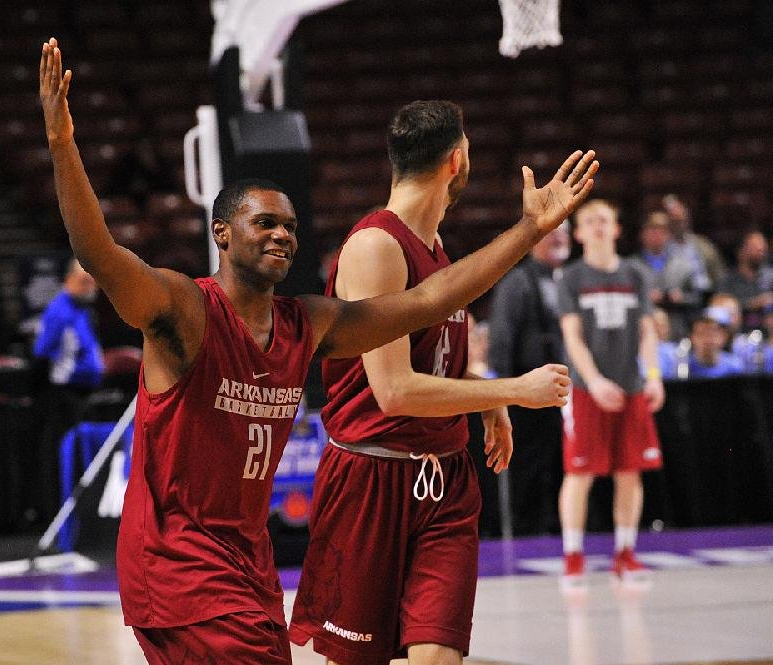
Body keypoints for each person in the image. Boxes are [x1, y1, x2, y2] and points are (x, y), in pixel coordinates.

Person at [40, 40, 597, 663]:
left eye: (290, 226)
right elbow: (100, 254)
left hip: (248, 562)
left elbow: (427, 302)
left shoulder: (304, 323)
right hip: (179, 563)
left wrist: (530, 229)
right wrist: (62, 145)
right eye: (264, 223)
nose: (282, 234)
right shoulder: (183, 310)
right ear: (221, 234)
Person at [289, 100, 588, 665]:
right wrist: (512, 391)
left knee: (439, 655)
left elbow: (434, 364)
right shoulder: (376, 246)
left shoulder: (437, 250)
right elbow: (395, 391)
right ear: (457, 160)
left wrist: (484, 400)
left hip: (444, 480)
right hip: (370, 477)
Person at [557, 199, 665, 587]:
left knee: (630, 471)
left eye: (604, 220)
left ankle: (625, 553)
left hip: (630, 386)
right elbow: (572, 337)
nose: (598, 226)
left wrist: (653, 376)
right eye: (590, 221)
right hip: (587, 390)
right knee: (579, 472)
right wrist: (594, 380)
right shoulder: (571, 278)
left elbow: (647, 331)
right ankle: (573, 556)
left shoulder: (635, 273)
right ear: (579, 233)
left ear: (617, 229)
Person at [488, 221, 571, 536]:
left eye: (564, 232)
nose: (559, 238)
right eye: (552, 233)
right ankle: (527, 534)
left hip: (567, 394)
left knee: (565, 466)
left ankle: (563, 530)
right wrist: (507, 394)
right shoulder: (518, 282)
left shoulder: (571, 279)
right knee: (529, 468)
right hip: (529, 396)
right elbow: (501, 340)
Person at [32, 258, 105, 519]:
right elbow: (42, 355)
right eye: (84, 281)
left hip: (83, 394)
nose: (90, 287)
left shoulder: (82, 309)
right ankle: (61, 510)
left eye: (92, 281)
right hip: (64, 398)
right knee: (64, 453)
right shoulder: (59, 312)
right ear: (69, 280)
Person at [634, 210, 700, 338]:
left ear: (669, 235)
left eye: (662, 231)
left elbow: (697, 298)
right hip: (642, 331)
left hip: (677, 331)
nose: (657, 236)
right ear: (643, 234)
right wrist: (644, 297)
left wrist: (682, 297)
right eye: (652, 231)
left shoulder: (684, 266)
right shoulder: (632, 266)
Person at [661, 193, 726, 294]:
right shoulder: (662, 247)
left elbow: (719, 274)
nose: (680, 225)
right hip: (679, 296)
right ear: (668, 222)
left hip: (707, 293)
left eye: (682, 220)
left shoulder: (703, 244)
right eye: (675, 221)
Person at [663, 307, 744, 379]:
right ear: (692, 337)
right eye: (701, 333)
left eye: (712, 334)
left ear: (724, 337)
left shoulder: (735, 367)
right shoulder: (681, 368)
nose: (707, 339)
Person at [716, 230, 773, 331]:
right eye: (754, 247)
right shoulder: (727, 281)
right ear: (741, 251)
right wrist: (752, 304)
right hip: (737, 331)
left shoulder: (770, 277)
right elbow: (720, 307)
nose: (760, 251)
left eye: (763, 248)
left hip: (767, 331)